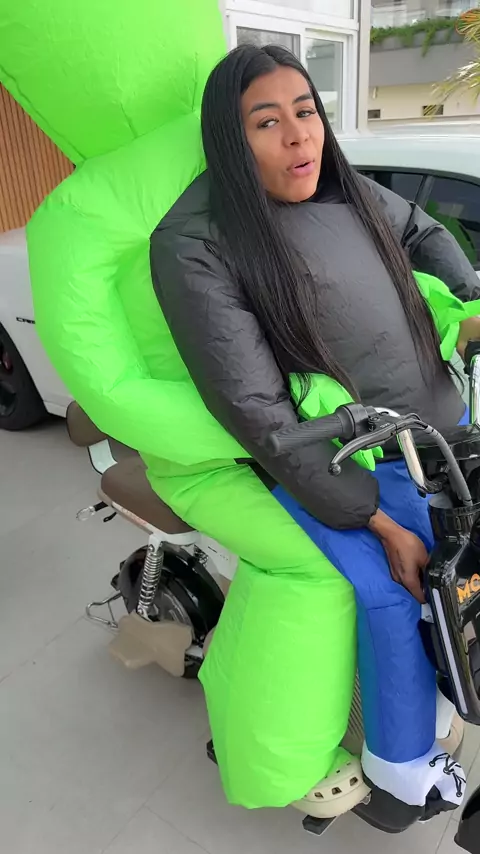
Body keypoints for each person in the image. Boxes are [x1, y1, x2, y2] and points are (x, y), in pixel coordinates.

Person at [150, 44, 480, 819]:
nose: (299, 136)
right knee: (394, 591)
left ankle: (445, 693)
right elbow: (256, 411)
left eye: (306, 112)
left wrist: (468, 300)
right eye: (267, 122)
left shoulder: (344, 187)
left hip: (436, 433)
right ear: (230, 139)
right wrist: (373, 519)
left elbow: (422, 230)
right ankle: (401, 764)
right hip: (333, 457)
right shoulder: (196, 240)